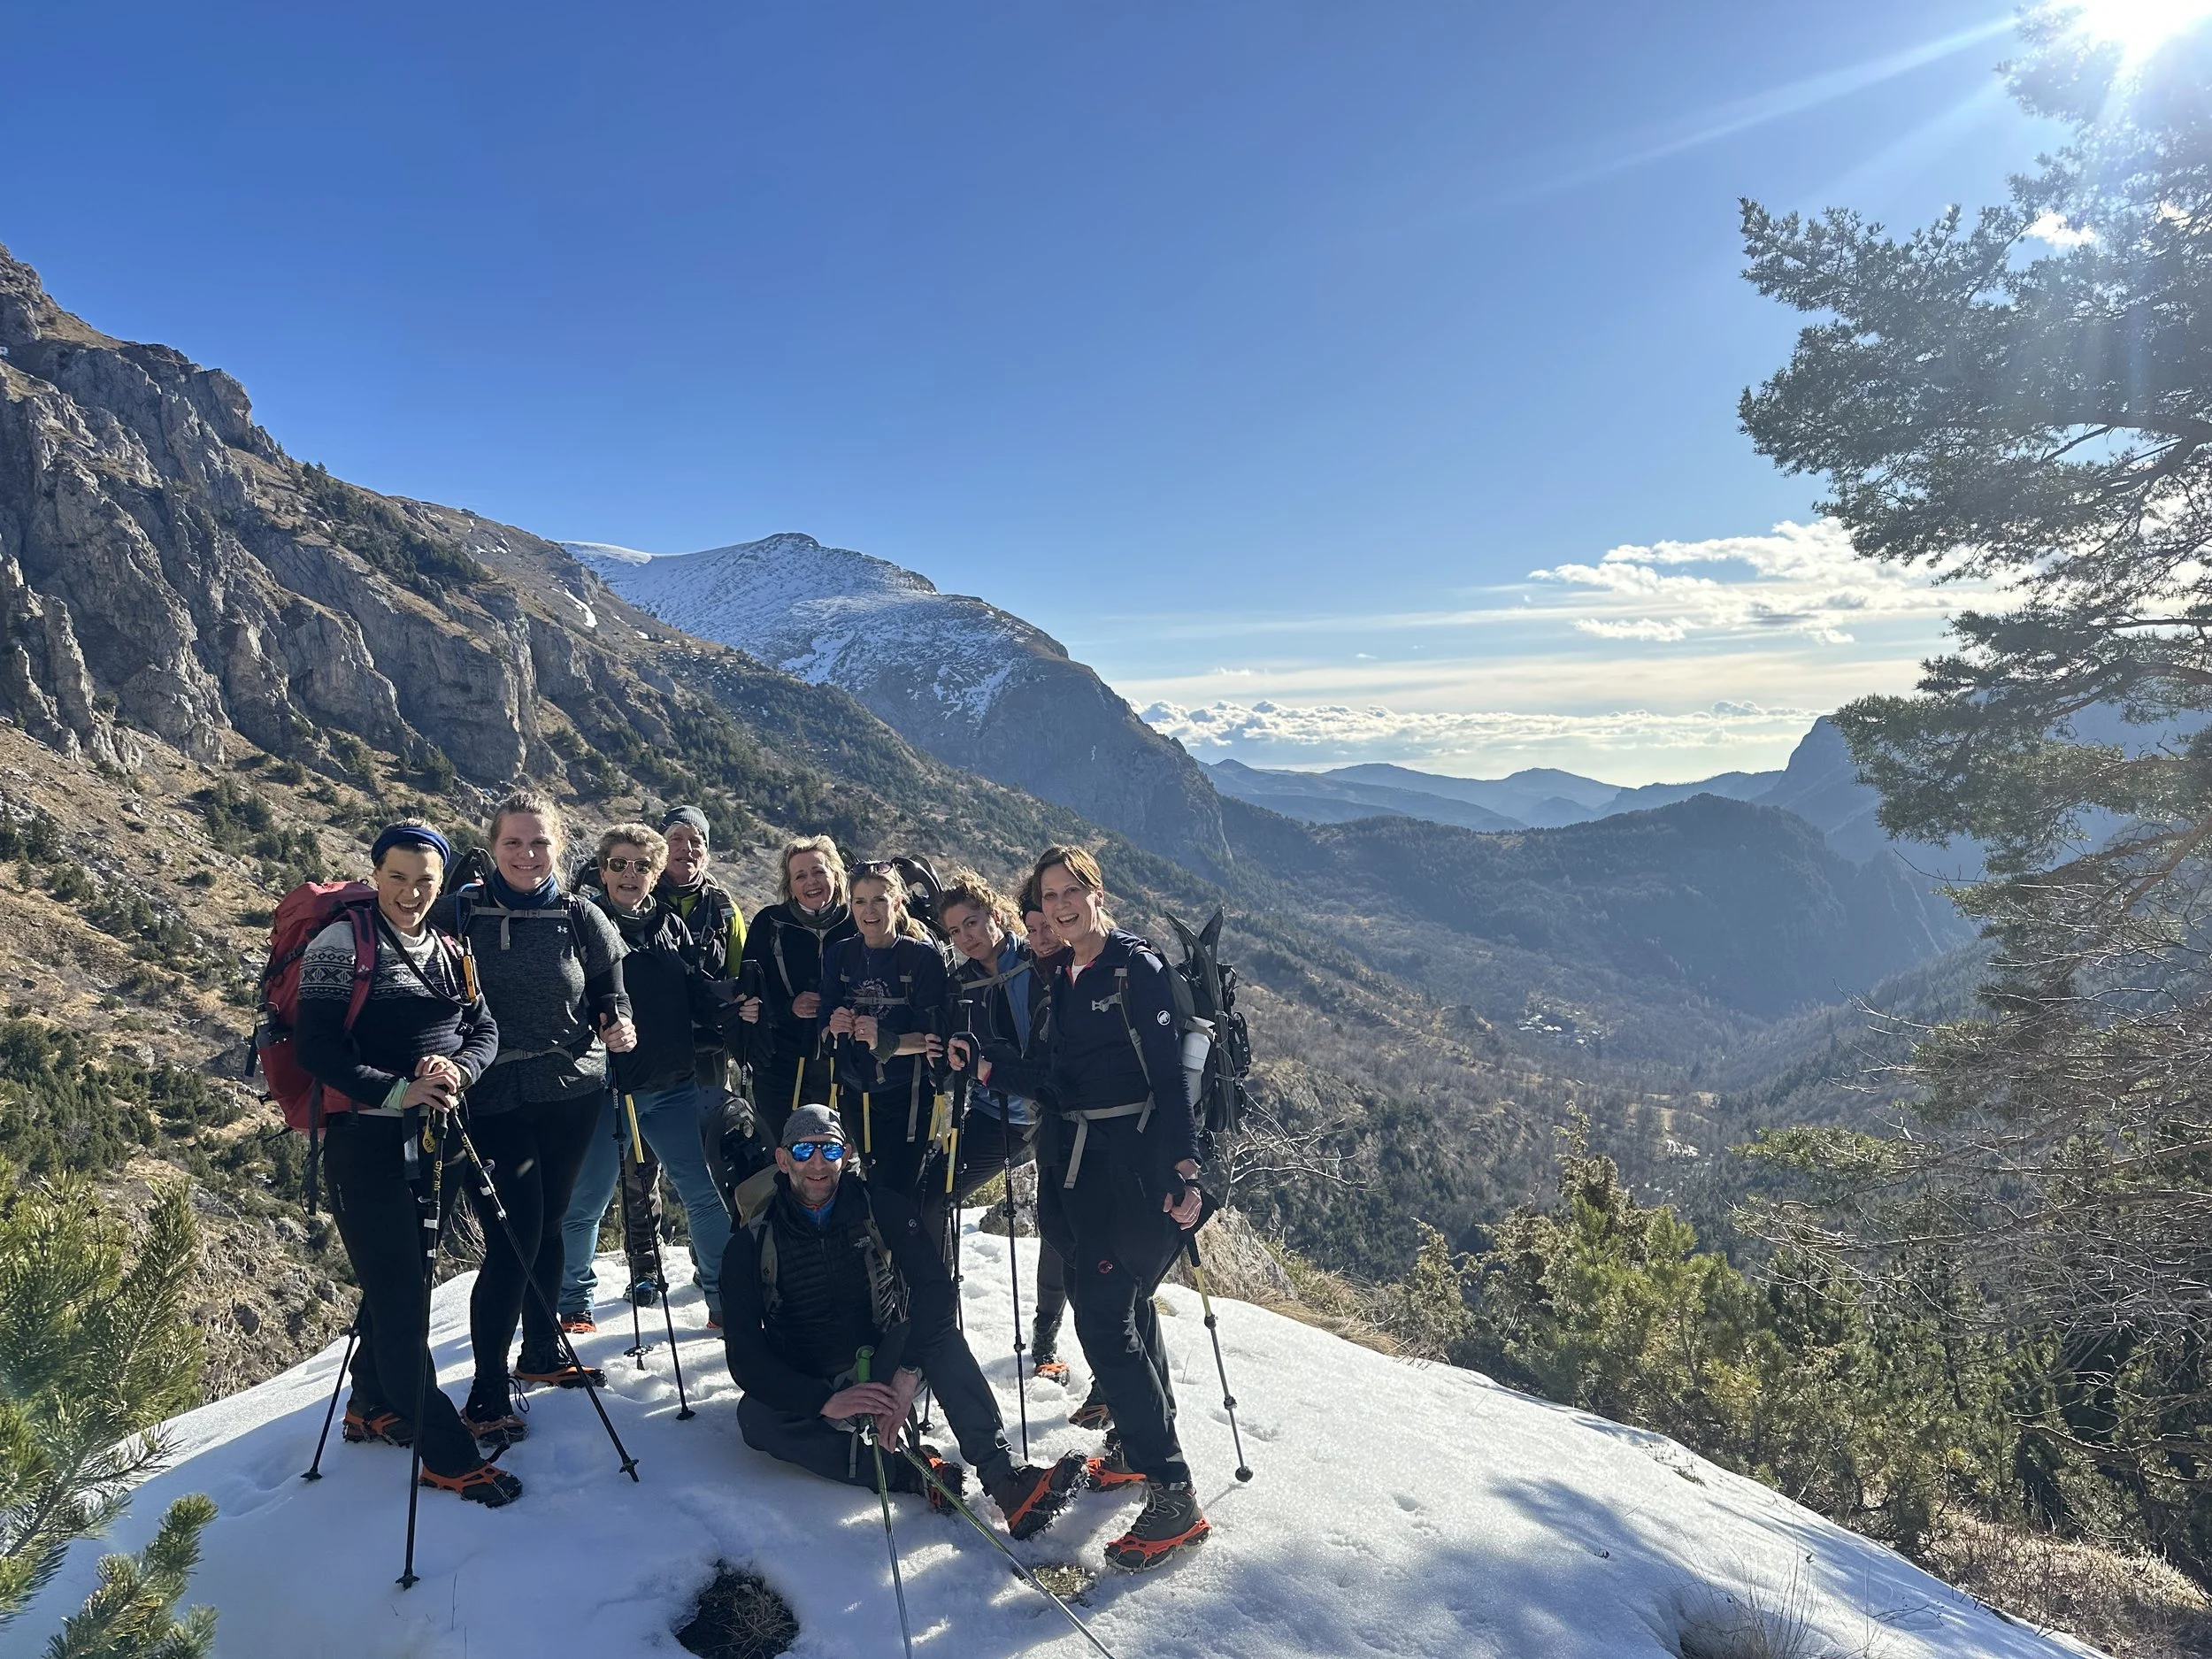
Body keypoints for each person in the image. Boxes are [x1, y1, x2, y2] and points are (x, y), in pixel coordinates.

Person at [956, 845, 1210, 1572]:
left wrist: (1184, 1168)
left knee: (1102, 1315)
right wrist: (988, 1065)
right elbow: (1060, 1078)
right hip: (1075, 1168)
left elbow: (1167, 1079)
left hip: (1130, 1171)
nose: (1061, 904)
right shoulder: (1061, 972)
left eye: (1073, 891)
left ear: (1098, 892)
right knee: (1122, 1309)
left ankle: (1173, 1494)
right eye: (1050, 894)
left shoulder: (1137, 969)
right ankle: (1136, 1446)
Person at [718, 1104, 1081, 1538]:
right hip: (809, 1375)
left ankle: (1007, 1481)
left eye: (829, 1151)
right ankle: (906, 1473)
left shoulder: (880, 1208)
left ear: (846, 1154)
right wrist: (823, 1401)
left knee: (938, 1335)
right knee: (755, 1418)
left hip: (885, 1359)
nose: (817, 1164)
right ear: (782, 1159)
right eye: (803, 1150)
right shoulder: (749, 1243)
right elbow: (745, 1357)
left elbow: (936, 1294)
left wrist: (907, 1374)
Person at [294, 822, 519, 1507]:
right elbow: (317, 1048)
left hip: (437, 1138)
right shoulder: (342, 943)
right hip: (365, 1141)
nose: (412, 892)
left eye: (426, 880)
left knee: (404, 1282)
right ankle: (448, 1455)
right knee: (400, 1302)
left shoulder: (450, 947)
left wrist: (458, 1068)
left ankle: (369, 1402)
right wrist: (399, 1090)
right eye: (398, 876)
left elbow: (484, 1028)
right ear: (374, 873)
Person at [431, 792, 637, 1442]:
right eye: (514, 843)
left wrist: (618, 1019)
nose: (526, 854)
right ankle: (487, 1391)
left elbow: (610, 984)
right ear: (492, 846)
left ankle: (542, 1350)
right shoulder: (456, 912)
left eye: (539, 842)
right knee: (513, 1233)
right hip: (484, 1096)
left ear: (561, 845)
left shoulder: (580, 914)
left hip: (570, 1088)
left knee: (547, 1219)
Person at [557, 824, 745, 1333]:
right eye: (619, 864)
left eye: (642, 865)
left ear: (656, 873)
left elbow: (692, 991)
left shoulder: (669, 926)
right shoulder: (578, 926)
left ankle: (723, 1303)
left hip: (671, 1086)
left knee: (703, 1193)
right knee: (587, 1201)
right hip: (603, 1091)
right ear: (602, 870)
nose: (630, 874)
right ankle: (573, 1304)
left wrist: (736, 1005)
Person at [938, 872, 1071, 1384]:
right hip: (998, 1118)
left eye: (972, 921)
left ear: (995, 915)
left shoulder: (1039, 962)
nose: (967, 936)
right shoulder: (960, 983)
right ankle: (936, 1319)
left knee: (1058, 1228)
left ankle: (1045, 1342)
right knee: (935, 1196)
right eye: (954, 931)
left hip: (1053, 1116)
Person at [818, 863, 949, 1208]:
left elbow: (932, 1038)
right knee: (863, 1192)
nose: (869, 911)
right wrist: (834, 1026)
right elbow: (823, 1023)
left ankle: (910, 1261)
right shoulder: (839, 955)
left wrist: (886, 1040)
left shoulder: (921, 958)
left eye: (879, 900)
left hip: (907, 1099)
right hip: (852, 1094)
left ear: (898, 903)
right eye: (860, 902)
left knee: (898, 1195)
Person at [734, 837, 856, 1153]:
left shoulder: (857, 922)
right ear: (789, 885)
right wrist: (790, 1008)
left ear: (836, 875)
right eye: (799, 876)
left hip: (847, 1064)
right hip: (781, 1065)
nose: (810, 882)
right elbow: (748, 995)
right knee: (785, 1154)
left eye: (818, 871)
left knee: (842, 1156)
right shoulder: (770, 924)